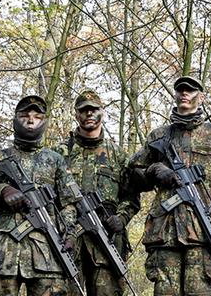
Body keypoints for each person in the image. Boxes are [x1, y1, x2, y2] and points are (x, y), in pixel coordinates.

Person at [127, 73, 211, 296]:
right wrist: (154, 170)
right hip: (165, 231)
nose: (184, 93)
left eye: (190, 90)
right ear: (175, 95)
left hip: (202, 230)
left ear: (201, 97)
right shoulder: (159, 135)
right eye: (180, 90)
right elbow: (132, 172)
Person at [0, 95, 82, 296]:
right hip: (2, 254)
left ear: (44, 122)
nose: (30, 120)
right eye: (24, 115)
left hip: (47, 255)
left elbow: (68, 203)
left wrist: (70, 234)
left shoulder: (55, 160)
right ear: (15, 120)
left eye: (37, 116)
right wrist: (1, 190)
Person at [58, 90, 140, 296]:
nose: (89, 114)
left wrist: (121, 218)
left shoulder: (117, 155)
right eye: (84, 110)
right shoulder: (59, 154)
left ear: (102, 113)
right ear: (76, 114)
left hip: (106, 241)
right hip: (68, 241)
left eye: (94, 110)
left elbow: (131, 196)